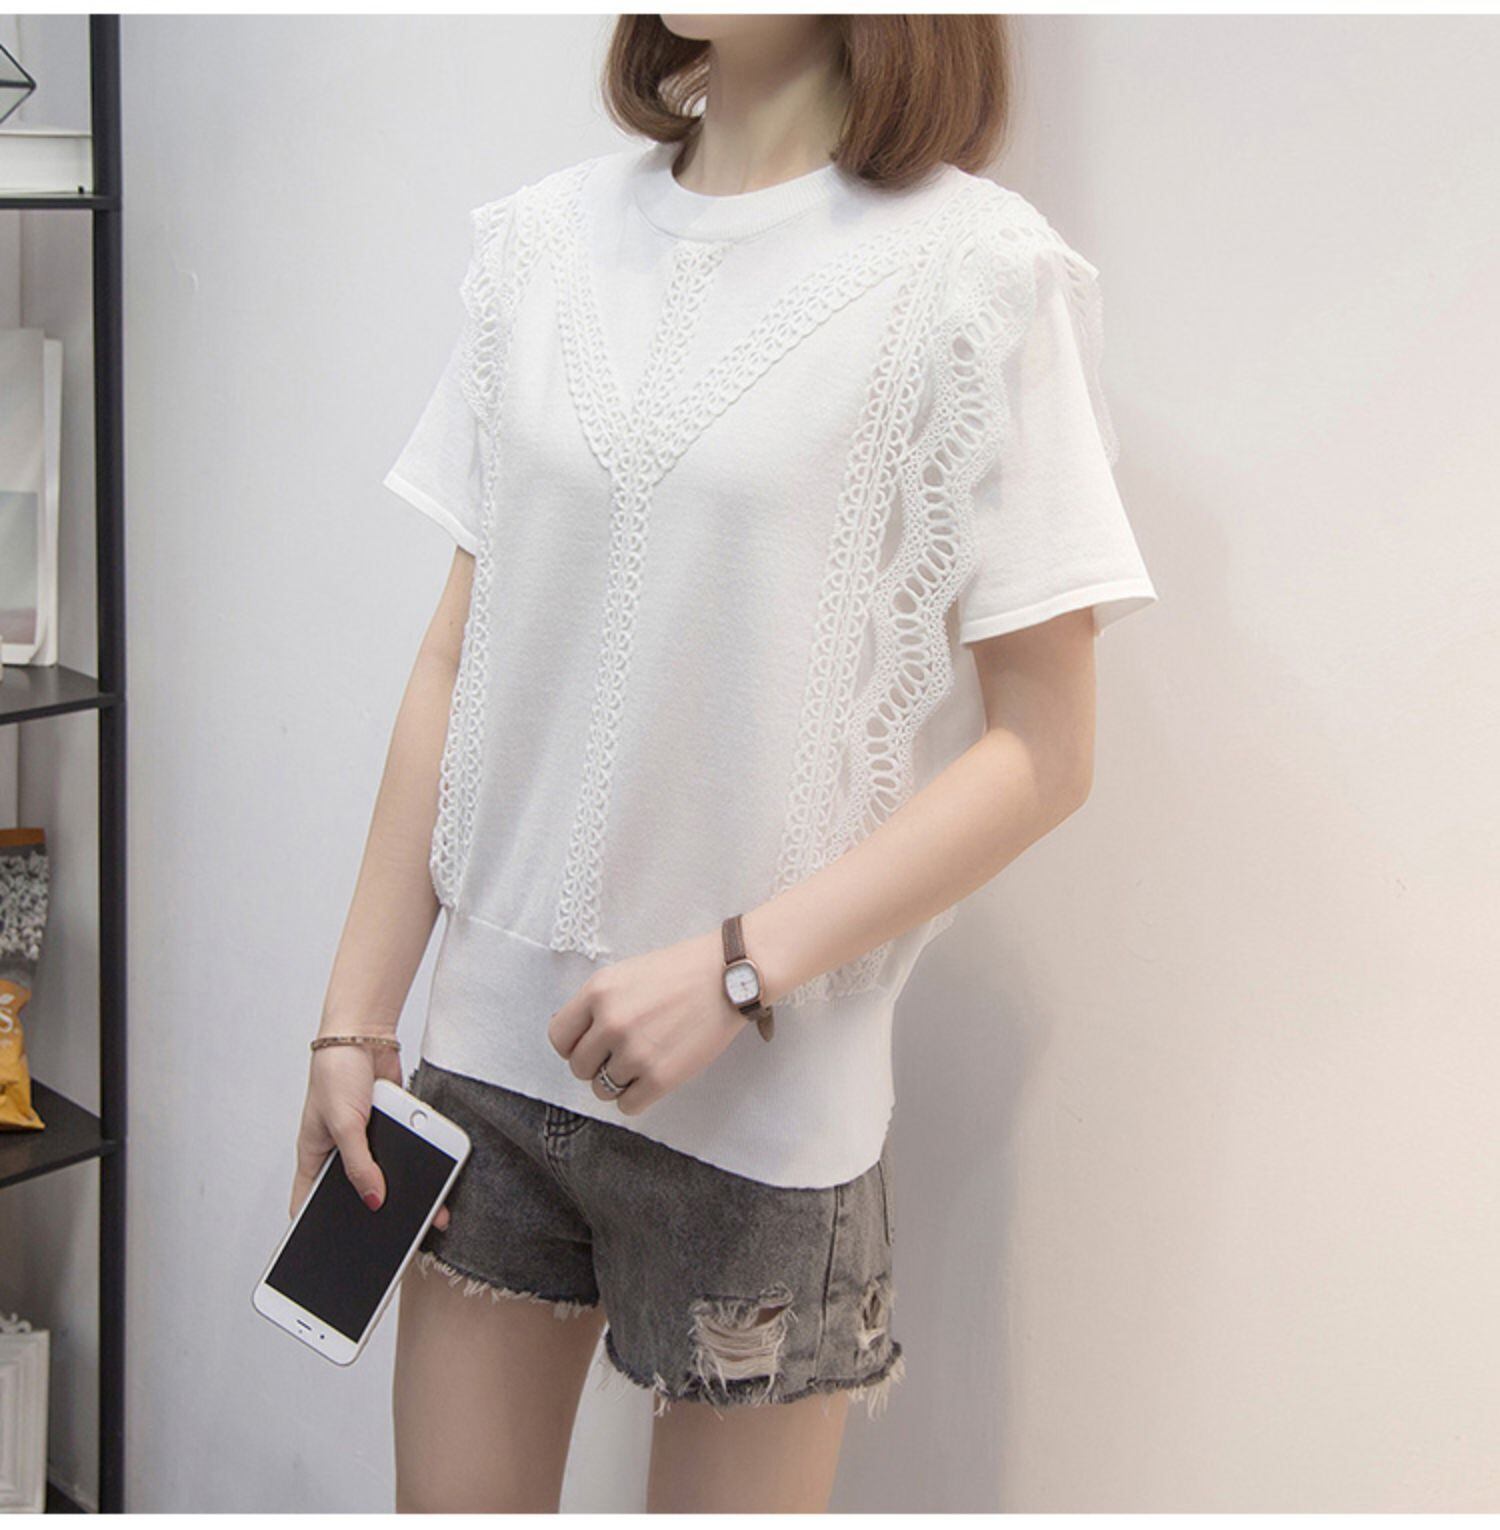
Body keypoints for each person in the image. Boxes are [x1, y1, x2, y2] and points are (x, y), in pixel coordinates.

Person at [289, 12, 1157, 1513]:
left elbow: (1046, 748)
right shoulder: (540, 247)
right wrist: (354, 1015)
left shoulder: (977, 278)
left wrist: (742, 966)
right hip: (485, 1076)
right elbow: (456, 654)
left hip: (762, 1117)